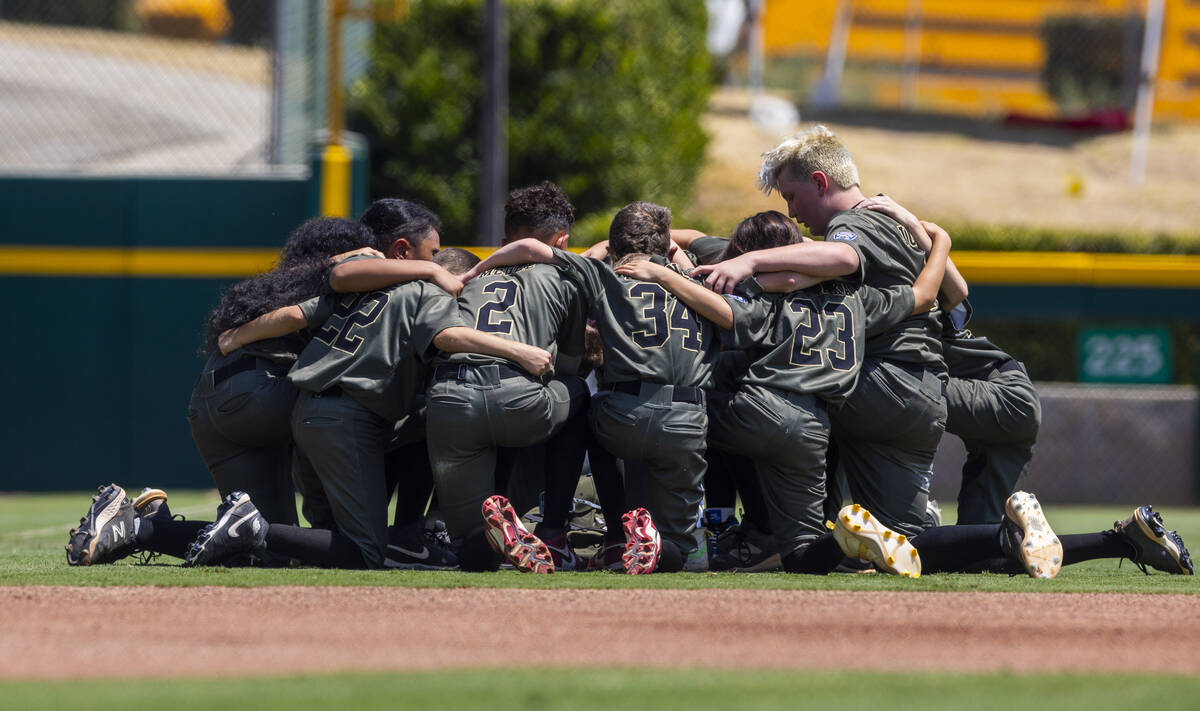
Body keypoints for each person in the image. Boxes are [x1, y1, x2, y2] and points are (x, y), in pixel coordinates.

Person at [466, 201, 730, 573]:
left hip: (622, 414)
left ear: (614, 246)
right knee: (688, 555)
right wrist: (676, 264)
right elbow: (718, 284)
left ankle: (601, 534)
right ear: (669, 246)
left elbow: (530, 248)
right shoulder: (699, 279)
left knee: (585, 408)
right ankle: (656, 545)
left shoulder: (604, 273)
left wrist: (473, 272)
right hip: (687, 418)